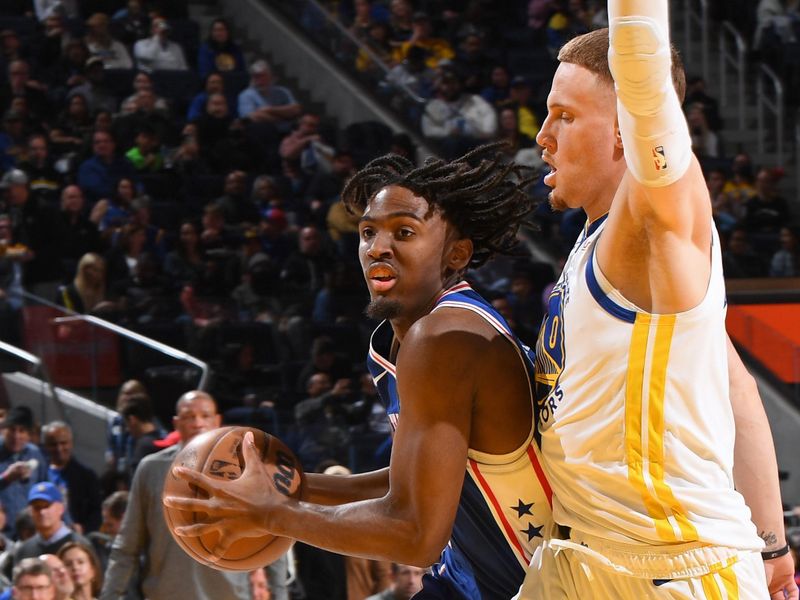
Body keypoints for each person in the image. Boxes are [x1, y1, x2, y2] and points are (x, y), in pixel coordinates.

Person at [164, 145, 554, 598]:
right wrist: (297, 486)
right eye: (368, 232)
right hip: (472, 577)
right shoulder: (399, 343)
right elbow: (412, 479)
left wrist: (273, 513)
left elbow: (416, 534)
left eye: (404, 232)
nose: (378, 248)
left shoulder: (445, 337)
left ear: (456, 254)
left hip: (530, 584)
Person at [513, 2, 795, 597]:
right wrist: (772, 543)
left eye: (563, 116)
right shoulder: (595, 243)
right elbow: (734, 387)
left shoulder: (651, 223)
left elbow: (650, 98)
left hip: (669, 568)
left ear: (623, 130)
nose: (542, 138)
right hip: (585, 554)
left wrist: (636, 26)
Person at [99, 391, 250, 600]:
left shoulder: (246, 472)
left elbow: (272, 540)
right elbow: (127, 546)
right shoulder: (150, 469)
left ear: (217, 421)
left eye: (205, 416)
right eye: (189, 417)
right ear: (176, 423)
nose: (198, 423)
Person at [40, 422, 102, 534]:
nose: (59, 448)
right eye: (53, 444)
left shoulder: (86, 476)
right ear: (45, 446)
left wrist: (83, 528)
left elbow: (97, 511)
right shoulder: (39, 473)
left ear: (71, 443)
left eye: (63, 443)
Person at [12, 483, 91, 566]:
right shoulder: (24, 550)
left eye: (46, 506)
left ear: (61, 508)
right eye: (37, 507)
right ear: (31, 512)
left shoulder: (81, 545)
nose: (42, 512)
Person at [0, 407, 48, 537]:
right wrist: (6, 478)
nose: (16, 436)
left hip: (28, 531)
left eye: (21, 431)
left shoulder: (35, 454)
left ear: (29, 435)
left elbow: (46, 489)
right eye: (12, 430)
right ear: (4, 430)